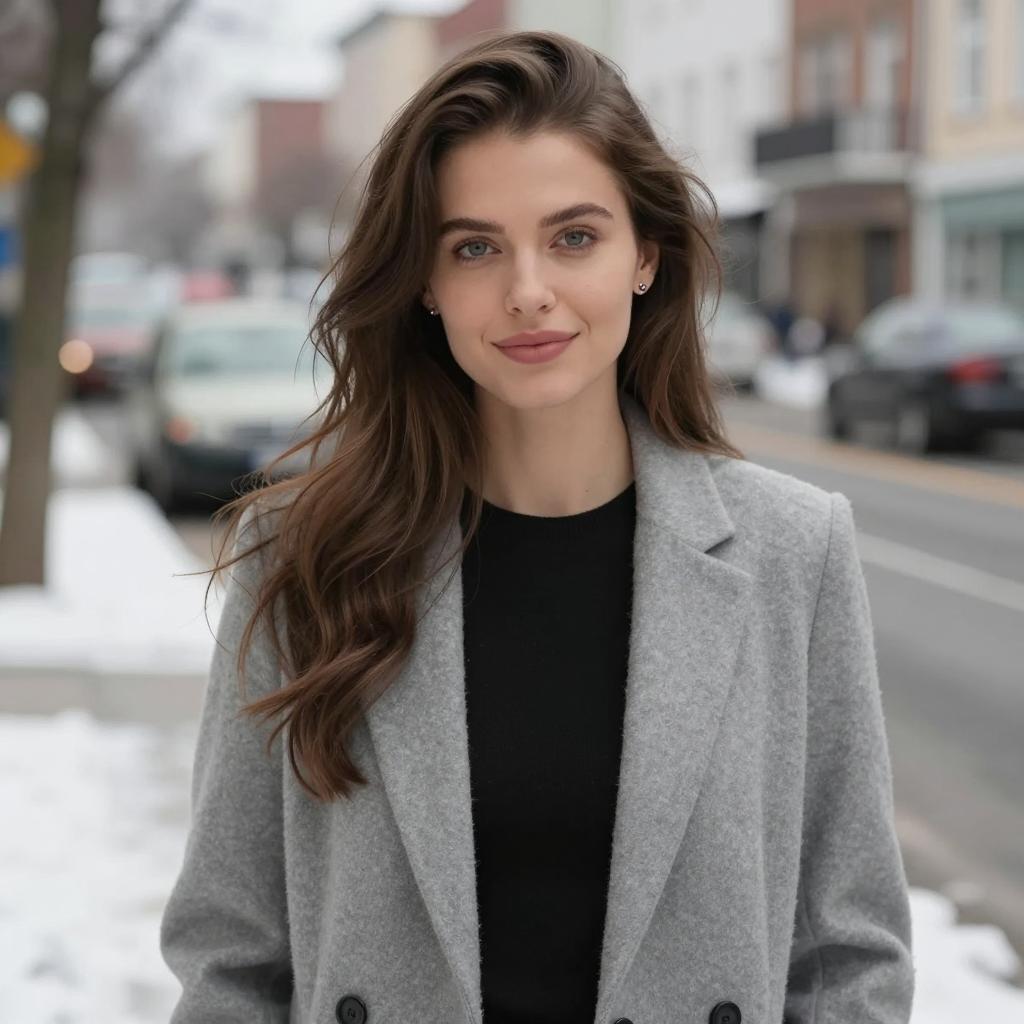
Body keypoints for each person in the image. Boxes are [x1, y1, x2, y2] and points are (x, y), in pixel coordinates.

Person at [160, 31, 914, 1024]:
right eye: (474, 246)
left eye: (573, 237)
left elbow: (848, 953)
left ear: (645, 253)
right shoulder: (307, 559)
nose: (527, 289)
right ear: (424, 282)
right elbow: (230, 954)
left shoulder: (791, 550)